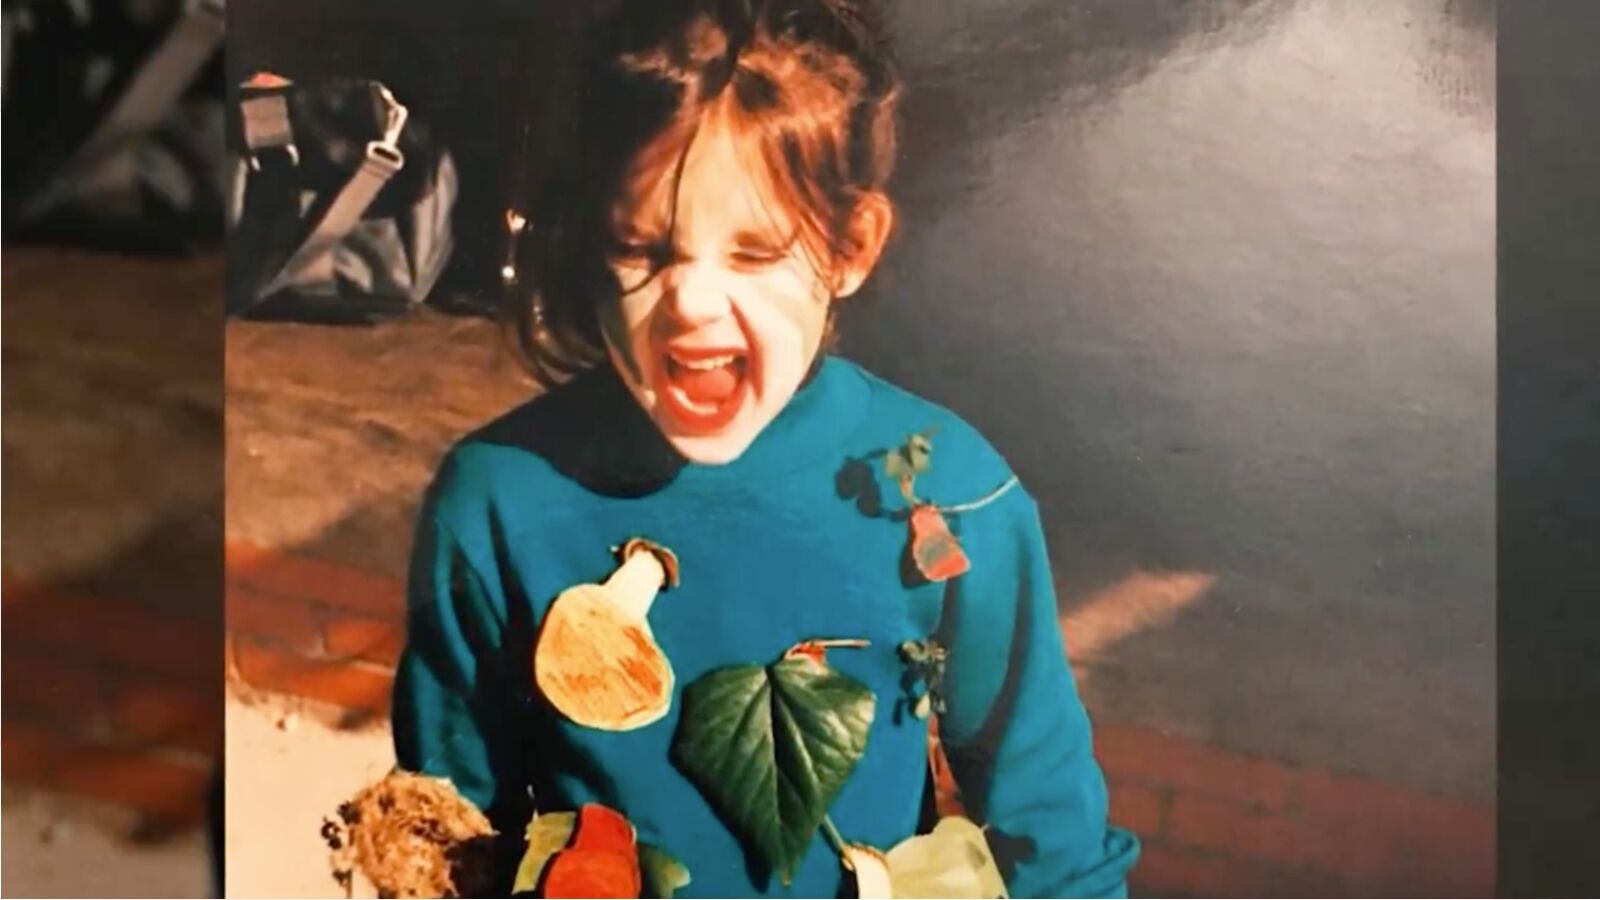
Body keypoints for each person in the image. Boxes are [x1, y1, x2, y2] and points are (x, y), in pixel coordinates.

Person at [392, 1, 1139, 895]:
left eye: (753, 252)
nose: (691, 303)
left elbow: (1052, 833)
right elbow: (444, 836)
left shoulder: (953, 495)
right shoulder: (498, 503)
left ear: (849, 247)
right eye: (640, 247)